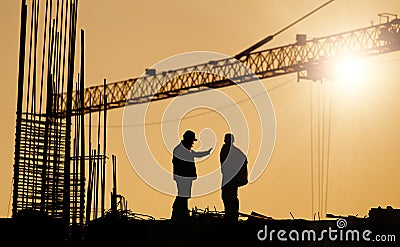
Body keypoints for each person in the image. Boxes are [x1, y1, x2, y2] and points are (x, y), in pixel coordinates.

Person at [171, 130, 212, 221]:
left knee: (184, 195)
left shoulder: (184, 150)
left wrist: (206, 152)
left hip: (186, 177)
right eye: (192, 141)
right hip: (183, 177)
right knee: (183, 195)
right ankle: (179, 213)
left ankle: (182, 213)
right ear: (187, 140)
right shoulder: (180, 150)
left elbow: (195, 154)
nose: (192, 143)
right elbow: (192, 156)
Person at [220, 133, 248, 222]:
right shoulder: (226, 150)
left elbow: (244, 160)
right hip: (228, 178)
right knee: (226, 196)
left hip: (231, 179)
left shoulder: (234, 151)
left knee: (231, 197)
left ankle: (231, 215)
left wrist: (241, 177)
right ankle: (230, 214)